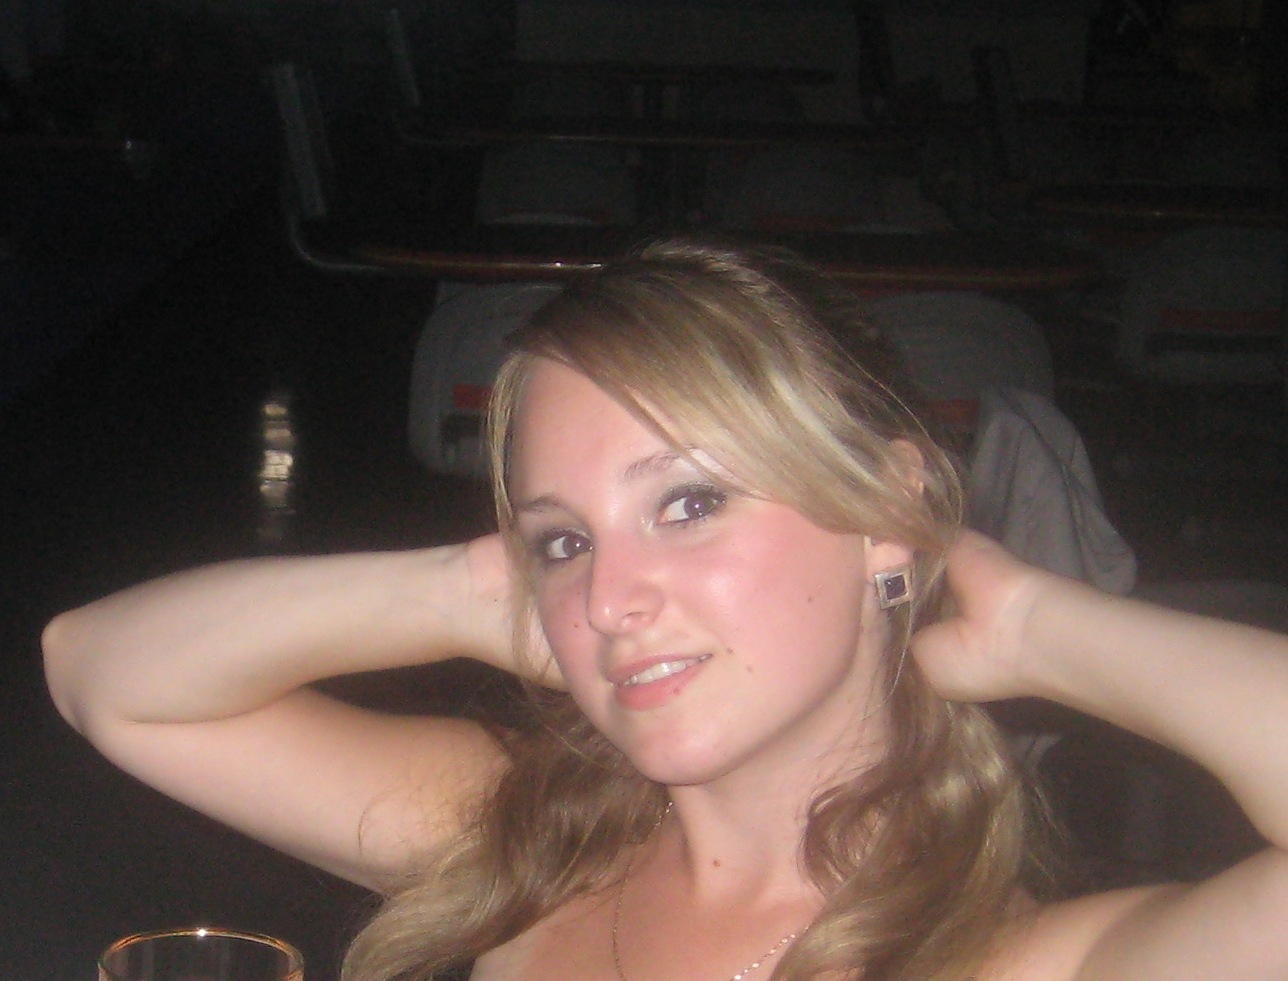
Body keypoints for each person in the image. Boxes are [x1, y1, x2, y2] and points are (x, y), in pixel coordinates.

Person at [43, 238, 1288, 980]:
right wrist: (472, 586)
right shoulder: (525, 848)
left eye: (688, 504)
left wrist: (1032, 629)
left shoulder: (1007, 962)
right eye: (565, 539)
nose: (607, 599)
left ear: (884, 514)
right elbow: (103, 672)